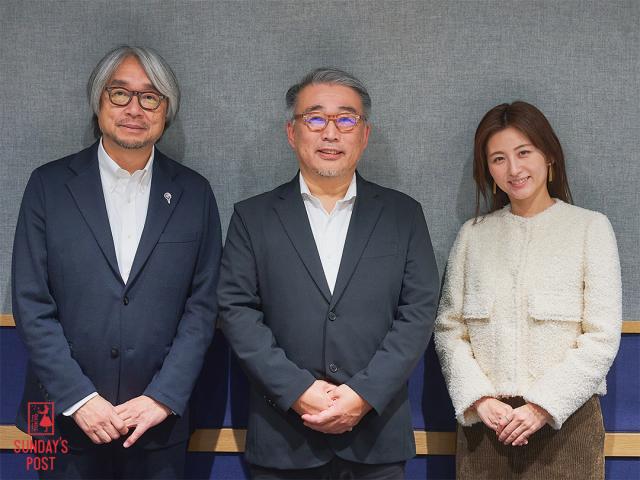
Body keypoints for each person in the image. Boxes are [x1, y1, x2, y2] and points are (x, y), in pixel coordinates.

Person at [218, 67, 440, 479]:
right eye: (316, 118)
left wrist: (363, 394)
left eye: (346, 119)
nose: (331, 133)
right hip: (285, 437)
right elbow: (236, 311)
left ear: (364, 134)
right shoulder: (252, 218)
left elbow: (419, 312)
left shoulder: (403, 215)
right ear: (292, 132)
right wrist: (298, 390)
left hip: (376, 440)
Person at [12, 45, 221, 479]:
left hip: (158, 423)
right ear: (99, 101)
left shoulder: (194, 194)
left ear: (166, 110)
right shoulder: (48, 186)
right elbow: (31, 302)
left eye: (150, 97)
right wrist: (79, 399)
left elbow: (202, 307)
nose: (134, 109)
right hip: (64, 419)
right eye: (120, 93)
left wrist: (162, 397)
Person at [434, 101, 622, 479]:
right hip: (487, 430)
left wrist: (542, 406)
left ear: (548, 155)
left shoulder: (590, 228)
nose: (514, 169)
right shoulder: (472, 236)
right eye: (498, 159)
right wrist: (479, 399)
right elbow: (449, 329)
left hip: (566, 427)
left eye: (524, 153)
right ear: (487, 168)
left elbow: (601, 337)